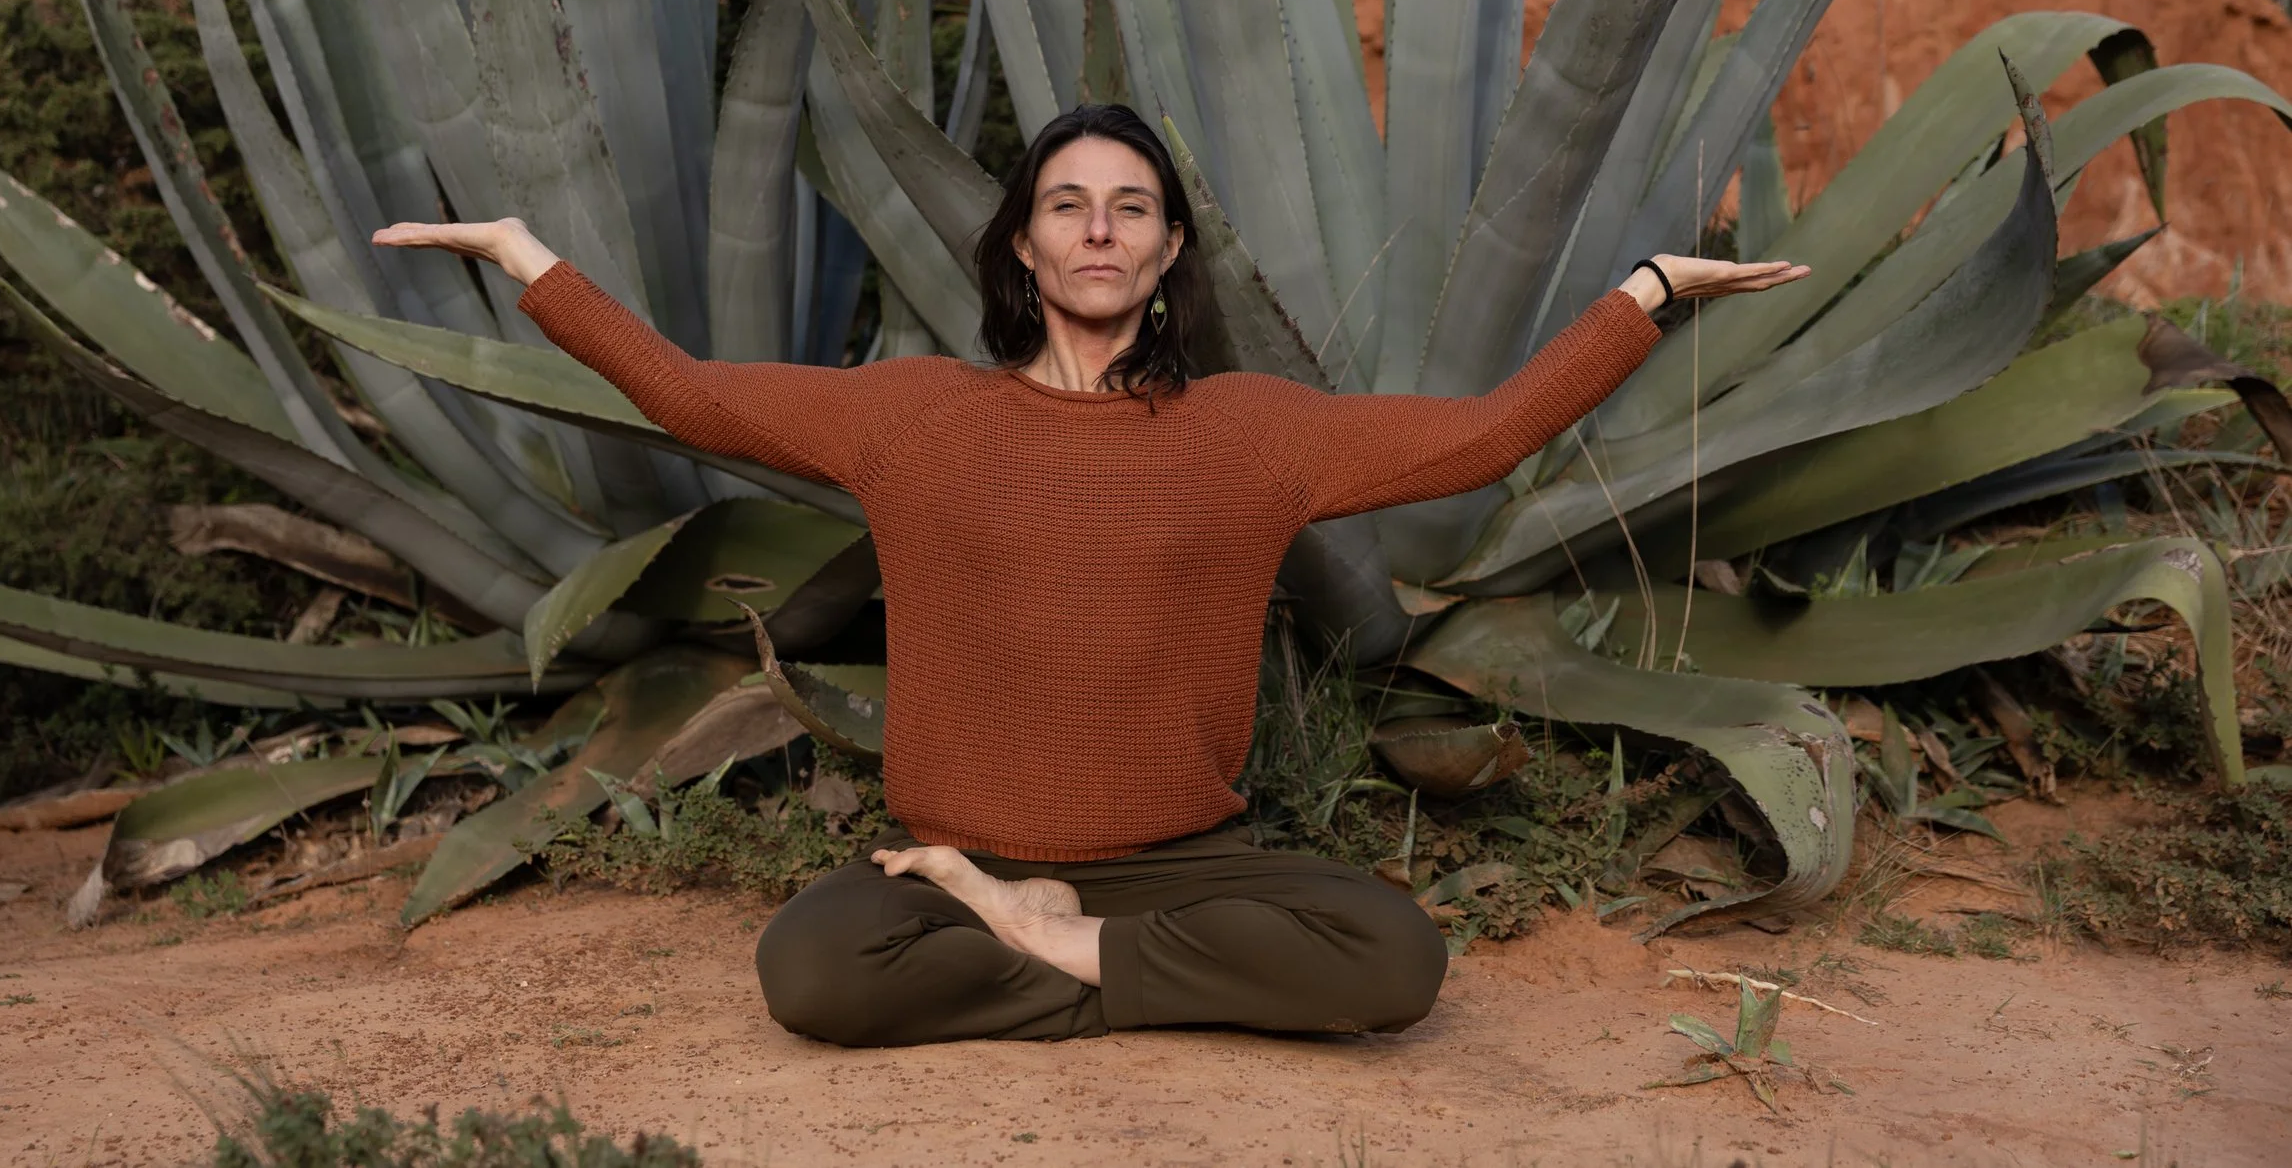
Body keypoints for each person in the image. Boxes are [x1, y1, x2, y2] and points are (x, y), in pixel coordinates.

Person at [375, 103, 1807, 1046]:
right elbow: (689, 394)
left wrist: (1649, 293)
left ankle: (1054, 956)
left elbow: (1490, 436)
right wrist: (528, 259)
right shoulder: (913, 413)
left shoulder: (1251, 431)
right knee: (808, 969)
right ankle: (1080, 946)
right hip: (961, 863)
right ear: (1023, 241)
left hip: (1186, 863)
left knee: (1395, 958)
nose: (1103, 226)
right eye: (1069, 204)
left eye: (1133, 206)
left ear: (1172, 246)